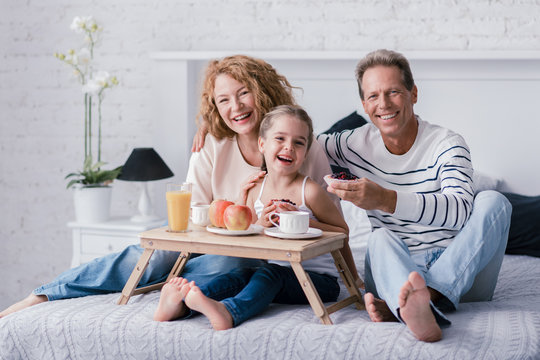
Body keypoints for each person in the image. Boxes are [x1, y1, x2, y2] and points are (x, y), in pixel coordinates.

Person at [0, 55, 339, 319]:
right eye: (223, 101)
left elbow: (335, 224)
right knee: (153, 254)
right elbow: (194, 223)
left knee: (233, 266)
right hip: (210, 245)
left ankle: (176, 293)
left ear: (262, 91)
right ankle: (44, 294)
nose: (235, 108)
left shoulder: (306, 147)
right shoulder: (209, 147)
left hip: (252, 260)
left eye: (243, 93)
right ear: (214, 109)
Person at [317, 49, 511, 342]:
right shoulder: (351, 144)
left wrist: (385, 199)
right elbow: (296, 143)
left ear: (413, 93)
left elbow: (459, 210)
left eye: (393, 91)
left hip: (462, 270)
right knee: (380, 237)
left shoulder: (446, 143)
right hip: (397, 272)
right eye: (373, 96)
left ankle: (422, 301)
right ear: (364, 105)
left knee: (495, 202)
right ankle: (413, 304)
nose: (383, 104)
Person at [154, 105, 359, 329]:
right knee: (242, 274)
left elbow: (342, 233)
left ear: (306, 152)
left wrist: (303, 222)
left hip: (319, 281)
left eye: (299, 142)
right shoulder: (256, 189)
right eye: (280, 138)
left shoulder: (309, 191)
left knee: (271, 274)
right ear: (262, 144)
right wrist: (253, 216)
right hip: (272, 272)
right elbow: (249, 237)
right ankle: (182, 303)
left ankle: (229, 312)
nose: (289, 147)